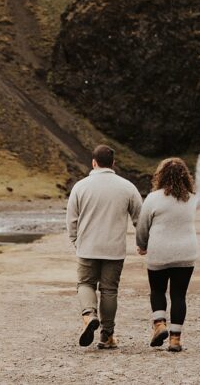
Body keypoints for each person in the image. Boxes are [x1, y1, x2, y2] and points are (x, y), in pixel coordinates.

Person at [66, 145, 143, 349]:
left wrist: (76, 241)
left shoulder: (80, 187)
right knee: (109, 290)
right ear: (113, 163)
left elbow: (71, 219)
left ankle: (89, 315)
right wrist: (143, 242)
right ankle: (107, 335)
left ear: (93, 162)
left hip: (87, 247)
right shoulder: (127, 187)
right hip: (114, 249)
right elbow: (140, 219)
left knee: (85, 284)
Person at [135, 157, 198, 353]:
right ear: (185, 177)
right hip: (186, 253)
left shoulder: (153, 198)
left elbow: (142, 226)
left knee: (157, 291)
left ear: (160, 175)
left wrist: (142, 245)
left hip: (159, 252)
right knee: (179, 296)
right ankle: (175, 340)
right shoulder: (191, 199)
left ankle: (160, 324)